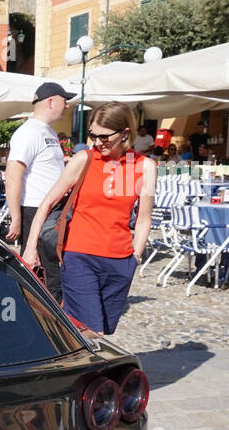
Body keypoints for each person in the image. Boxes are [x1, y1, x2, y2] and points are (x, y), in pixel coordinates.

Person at [22, 102, 155, 337]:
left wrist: (136, 255)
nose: (97, 142)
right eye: (93, 135)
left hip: (120, 260)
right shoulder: (84, 159)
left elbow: (143, 219)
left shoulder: (143, 166)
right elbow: (47, 203)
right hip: (79, 255)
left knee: (100, 330)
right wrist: (31, 248)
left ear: (125, 133)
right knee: (91, 331)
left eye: (104, 137)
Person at [6, 83, 73, 301]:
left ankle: (50, 313)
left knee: (51, 269)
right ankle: (41, 316)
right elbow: (14, 174)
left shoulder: (47, 131)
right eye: (65, 100)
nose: (67, 106)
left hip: (51, 208)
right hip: (35, 208)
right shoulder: (28, 132)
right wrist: (16, 217)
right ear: (51, 101)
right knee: (40, 270)